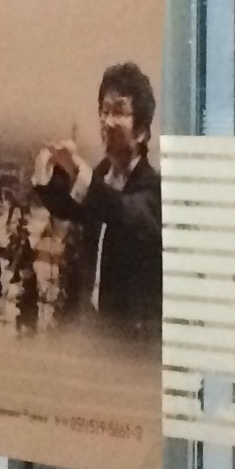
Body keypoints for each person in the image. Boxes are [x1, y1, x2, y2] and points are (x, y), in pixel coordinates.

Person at [35, 62, 165, 330]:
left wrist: (77, 170)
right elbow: (71, 208)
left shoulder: (153, 189)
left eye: (118, 111)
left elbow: (120, 211)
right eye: (104, 111)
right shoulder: (102, 173)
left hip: (132, 332)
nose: (107, 122)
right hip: (91, 323)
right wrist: (45, 170)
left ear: (141, 130)